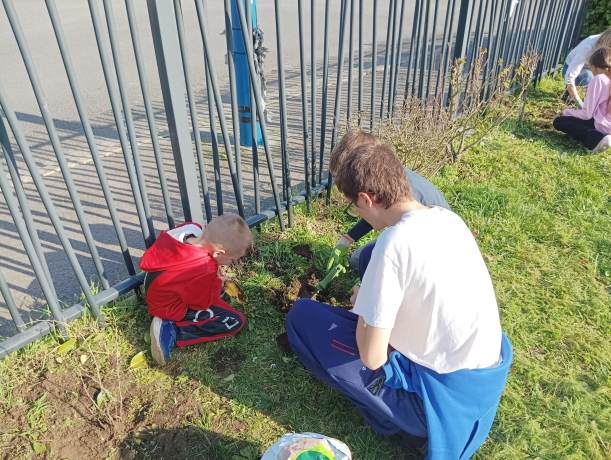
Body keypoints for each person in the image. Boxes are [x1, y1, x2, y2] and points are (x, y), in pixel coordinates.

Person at [286, 143, 513, 459]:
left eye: (354, 206)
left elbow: (373, 357)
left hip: (436, 402)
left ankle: (406, 428)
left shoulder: (393, 244)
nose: (357, 212)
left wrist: (365, 307)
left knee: (301, 316)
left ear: (366, 199)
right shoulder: (449, 219)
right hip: (479, 384)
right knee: (366, 258)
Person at [328, 129, 451, 270]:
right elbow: (375, 210)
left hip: (433, 244)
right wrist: (348, 238)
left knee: (360, 258)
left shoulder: (407, 208)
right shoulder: (389, 175)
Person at [140, 213, 253, 366]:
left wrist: (213, 265)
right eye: (231, 259)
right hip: (167, 306)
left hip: (154, 286)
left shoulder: (190, 229)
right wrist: (216, 284)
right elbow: (201, 303)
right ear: (218, 253)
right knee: (235, 321)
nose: (231, 262)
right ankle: (173, 330)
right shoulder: (204, 268)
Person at [554, 47, 611, 154]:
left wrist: (567, 111)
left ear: (593, 67)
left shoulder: (598, 79)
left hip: (601, 126)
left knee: (559, 122)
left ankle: (598, 138)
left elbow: (587, 115)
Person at [562, 29, 611, 108]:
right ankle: (569, 93)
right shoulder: (587, 47)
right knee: (588, 77)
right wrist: (579, 103)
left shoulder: (606, 42)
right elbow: (569, 77)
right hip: (572, 67)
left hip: (593, 66)